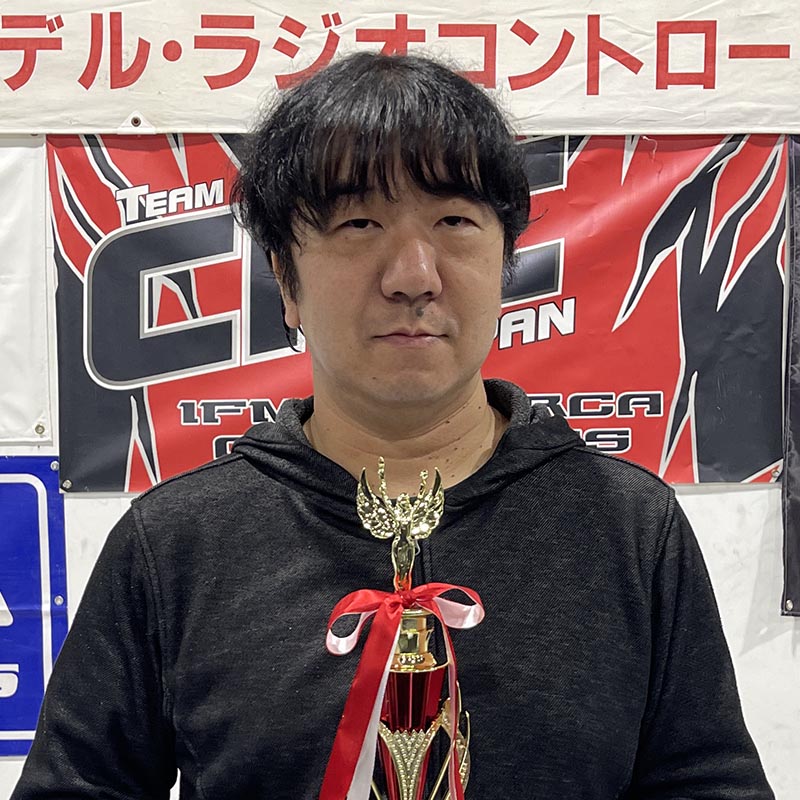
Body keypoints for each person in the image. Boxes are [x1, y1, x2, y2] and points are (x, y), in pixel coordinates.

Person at [13, 52, 773, 799]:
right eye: (359, 223)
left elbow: (706, 784)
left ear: (506, 263)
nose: (414, 275)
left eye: (454, 221)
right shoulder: (175, 543)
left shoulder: (630, 529)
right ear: (286, 282)